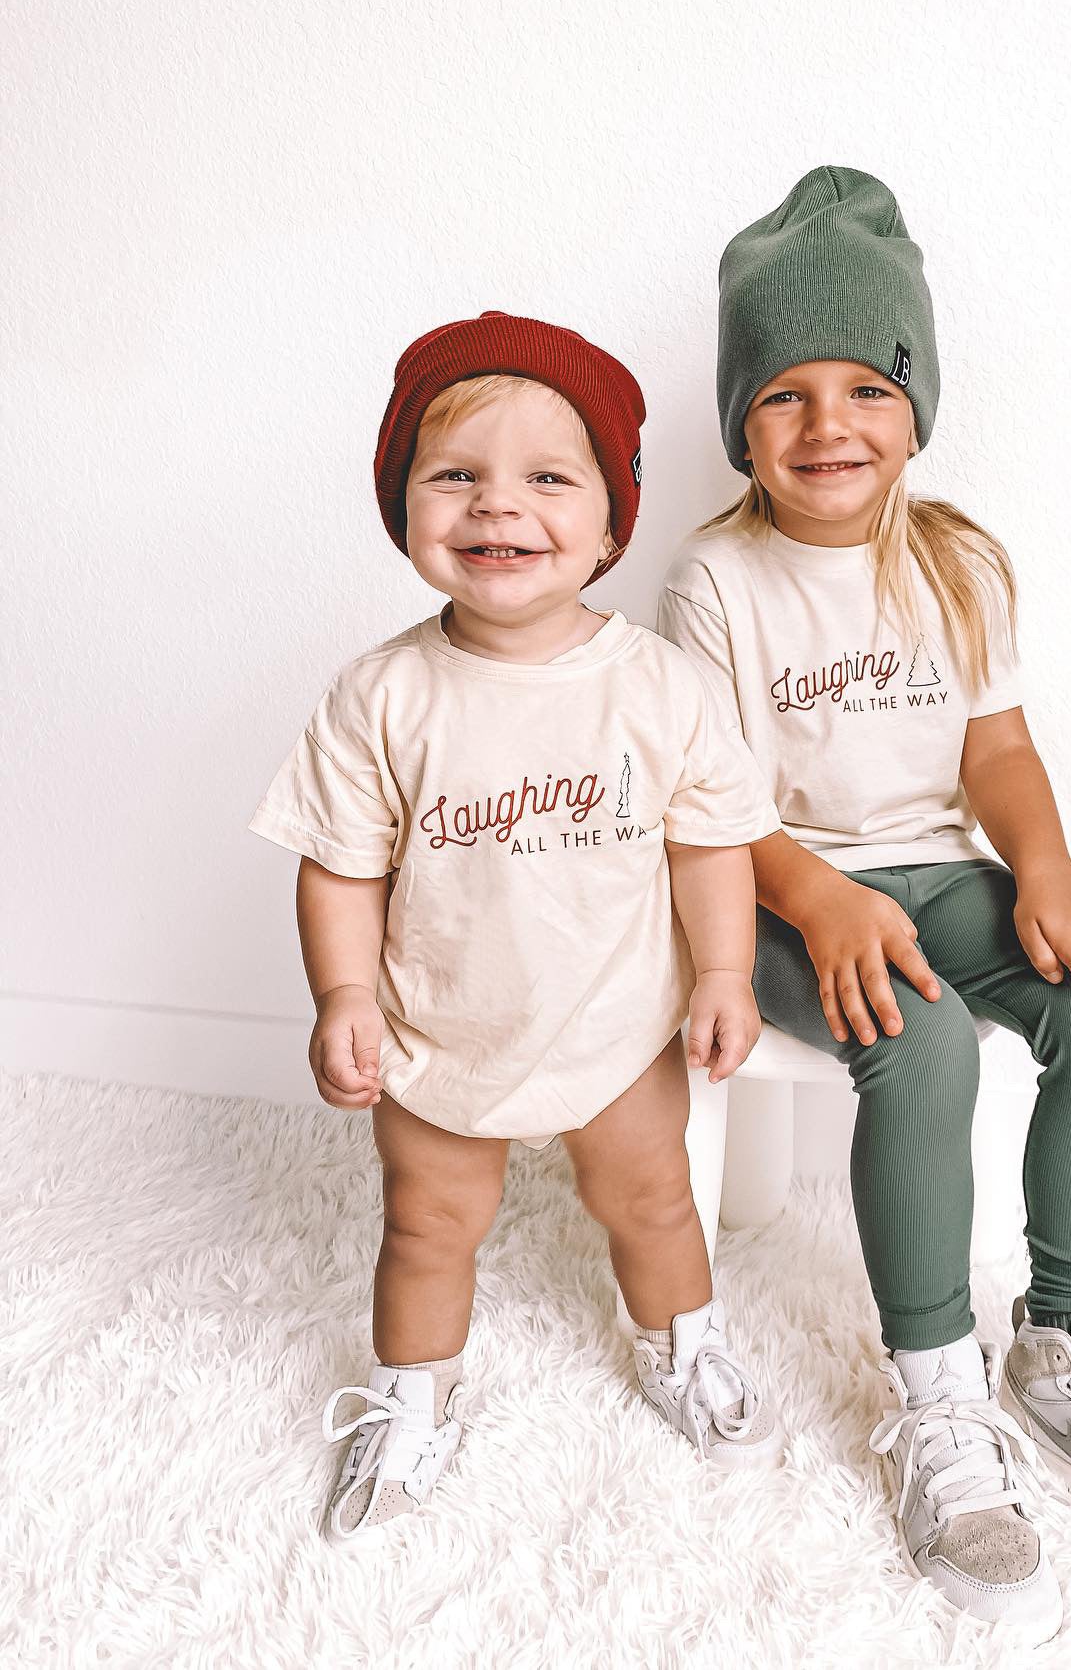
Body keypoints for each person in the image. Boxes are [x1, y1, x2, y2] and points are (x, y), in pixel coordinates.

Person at [658, 168, 1071, 1640]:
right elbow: (709, 801)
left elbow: (996, 749)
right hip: (779, 893)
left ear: (916, 408)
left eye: (868, 389)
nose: (829, 426)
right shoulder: (716, 581)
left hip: (944, 874)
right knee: (921, 1044)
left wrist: (1049, 879)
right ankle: (936, 1395)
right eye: (786, 393)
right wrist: (819, 901)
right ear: (741, 418)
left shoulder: (959, 561)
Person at [250, 311, 784, 1545]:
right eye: (456, 475)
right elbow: (341, 866)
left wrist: (723, 970)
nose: (499, 505)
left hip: (616, 1021)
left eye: (548, 477)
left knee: (652, 1197)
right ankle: (413, 1393)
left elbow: (710, 843)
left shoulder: (658, 686)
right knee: (426, 1219)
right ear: (404, 510)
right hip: (442, 1027)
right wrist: (344, 996)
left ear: (611, 523)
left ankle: (683, 1342)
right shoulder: (382, 694)